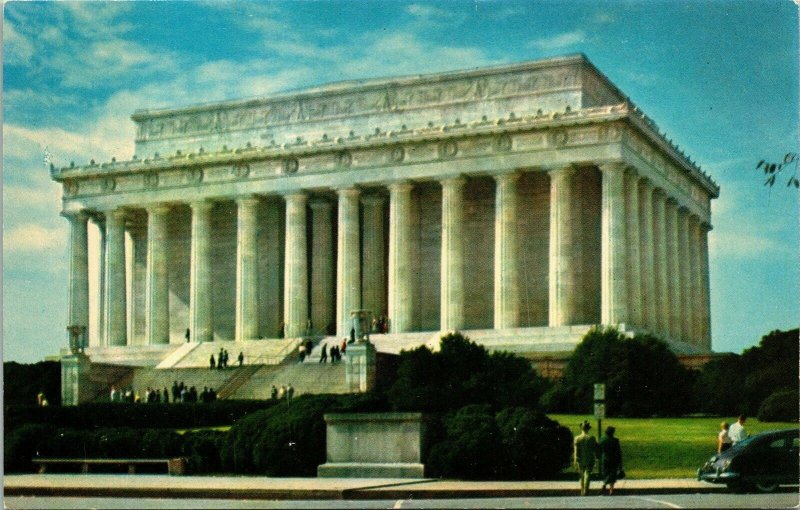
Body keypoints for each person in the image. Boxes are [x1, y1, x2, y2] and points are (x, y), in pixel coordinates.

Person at [574, 421, 597, 496]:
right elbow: (595, 448)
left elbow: (576, 450)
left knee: (581, 475)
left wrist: (576, 458)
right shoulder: (592, 438)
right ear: (588, 429)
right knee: (587, 474)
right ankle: (586, 490)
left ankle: (582, 490)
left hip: (580, 458)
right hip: (589, 458)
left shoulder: (577, 438)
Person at [598, 426, 623, 495]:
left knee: (606, 473)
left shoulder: (602, 439)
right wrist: (620, 464)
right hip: (614, 459)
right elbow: (618, 452)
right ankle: (611, 490)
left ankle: (605, 485)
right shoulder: (615, 440)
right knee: (612, 475)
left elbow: (598, 449)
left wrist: (599, 457)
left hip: (605, 459)